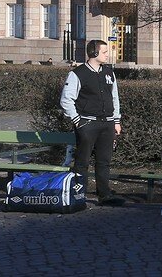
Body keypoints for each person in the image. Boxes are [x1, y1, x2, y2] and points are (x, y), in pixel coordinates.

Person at [60, 39, 124, 206]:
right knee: (82, 161)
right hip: (87, 123)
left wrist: (116, 120)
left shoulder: (109, 72)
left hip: (107, 124)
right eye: (104, 52)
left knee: (104, 161)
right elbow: (66, 100)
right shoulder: (77, 74)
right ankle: (79, 194)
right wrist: (78, 121)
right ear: (94, 53)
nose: (107, 54)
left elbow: (114, 97)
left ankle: (104, 195)